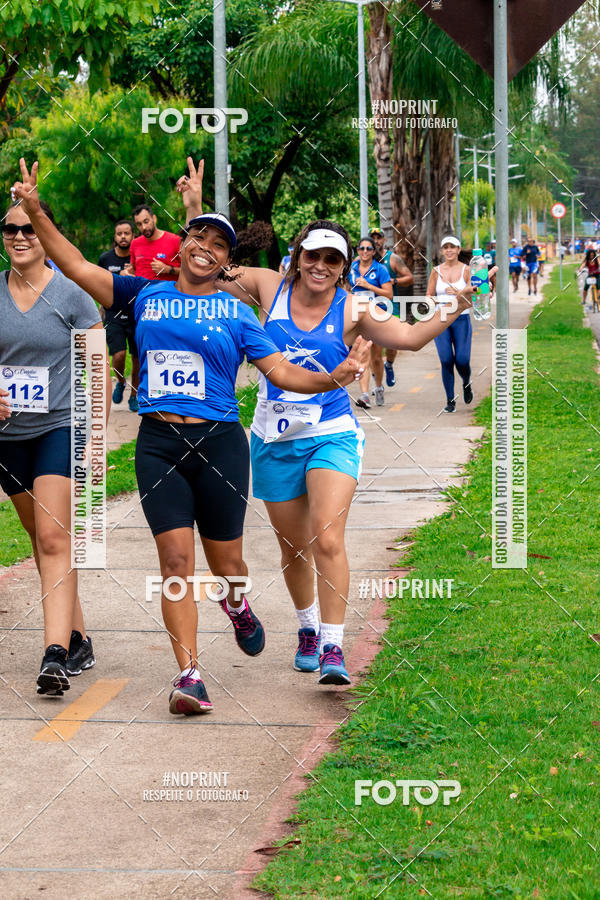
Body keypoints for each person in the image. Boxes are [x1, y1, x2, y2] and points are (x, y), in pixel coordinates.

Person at [13, 159, 369, 715]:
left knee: (227, 566)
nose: (206, 247)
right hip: (159, 445)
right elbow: (78, 265)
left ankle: (237, 603)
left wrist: (332, 377)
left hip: (221, 446)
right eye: (198, 236)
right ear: (182, 245)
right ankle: (189, 676)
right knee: (175, 562)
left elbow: (283, 374)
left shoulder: (238, 313)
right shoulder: (142, 295)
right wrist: (35, 211)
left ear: (228, 261)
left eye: (219, 244)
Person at [178, 158, 474, 685]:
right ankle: (308, 628)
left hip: (331, 434)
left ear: (343, 267)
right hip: (272, 436)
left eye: (333, 259)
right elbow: (208, 269)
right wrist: (196, 211)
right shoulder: (268, 287)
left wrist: (454, 309)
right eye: (313, 255)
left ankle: (334, 648)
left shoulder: (355, 307)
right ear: (298, 257)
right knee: (292, 547)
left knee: (327, 539)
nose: (322, 266)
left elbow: (407, 336)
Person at [0, 197, 109, 696]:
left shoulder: (72, 295)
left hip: (58, 429)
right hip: (7, 437)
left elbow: (97, 370)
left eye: (28, 229)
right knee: (39, 536)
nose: (19, 237)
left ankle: (55, 656)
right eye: (9, 229)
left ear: (45, 234)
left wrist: (95, 440)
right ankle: (80, 637)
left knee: (52, 538)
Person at [426, 235, 476, 414]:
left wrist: (459, 292)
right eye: (445, 247)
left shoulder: (467, 270)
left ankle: (466, 381)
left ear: (458, 250)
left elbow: (475, 294)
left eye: (452, 247)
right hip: (441, 319)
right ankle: (450, 400)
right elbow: (429, 294)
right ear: (442, 251)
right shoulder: (436, 271)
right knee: (446, 359)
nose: (449, 250)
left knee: (462, 360)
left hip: (461, 318)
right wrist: (432, 303)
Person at [98, 220, 140, 412]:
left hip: (136, 313)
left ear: (133, 235)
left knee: (138, 357)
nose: (123, 237)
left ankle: (134, 395)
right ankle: (121, 381)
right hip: (113, 312)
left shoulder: (138, 257)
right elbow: (98, 284)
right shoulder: (105, 259)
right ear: (114, 237)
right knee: (119, 354)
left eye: (127, 233)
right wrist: (99, 314)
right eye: (119, 234)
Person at [348, 236, 393, 408]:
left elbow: (389, 295)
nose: (365, 252)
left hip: (376, 313)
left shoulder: (380, 269)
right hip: (357, 315)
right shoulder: (352, 268)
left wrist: (368, 286)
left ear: (374, 252)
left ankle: (379, 387)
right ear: (357, 251)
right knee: (362, 353)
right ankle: (365, 394)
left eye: (368, 249)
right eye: (362, 248)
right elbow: (344, 286)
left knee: (375, 357)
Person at [370, 228, 414, 387]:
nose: (376, 241)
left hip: (391, 305)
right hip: (370, 307)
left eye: (378, 237)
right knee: (373, 347)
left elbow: (409, 278)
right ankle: (376, 378)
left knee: (391, 344)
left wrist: (393, 282)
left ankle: (388, 364)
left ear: (384, 240)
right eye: (372, 238)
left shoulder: (392, 259)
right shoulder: (363, 260)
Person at [126, 204, 181, 281]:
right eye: (139, 224)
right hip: (142, 291)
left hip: (166, 291)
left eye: (146, 221)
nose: (144, 227)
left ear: (154, 219)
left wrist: (168, 269)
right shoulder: (135, 243)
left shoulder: (175, 240)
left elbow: (189, 271)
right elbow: (133, 269)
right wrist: (125, 272)